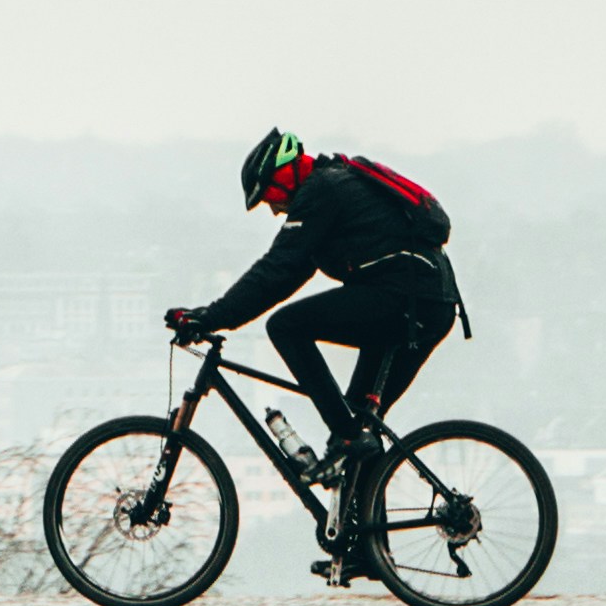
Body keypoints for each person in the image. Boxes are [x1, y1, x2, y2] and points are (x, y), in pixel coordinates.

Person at [165, 130, 466, 556]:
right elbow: (290, 271)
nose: (271, 208)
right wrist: (216, 315)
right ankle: (365, 549)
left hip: (408, 302)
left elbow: (279, 269)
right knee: (362, 422)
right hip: (425, 304)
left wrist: (210, 317)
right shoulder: (332, 189)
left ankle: (345, 436)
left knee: (286, 327)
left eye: (268, 194)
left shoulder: (323, 190)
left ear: (286, 173)